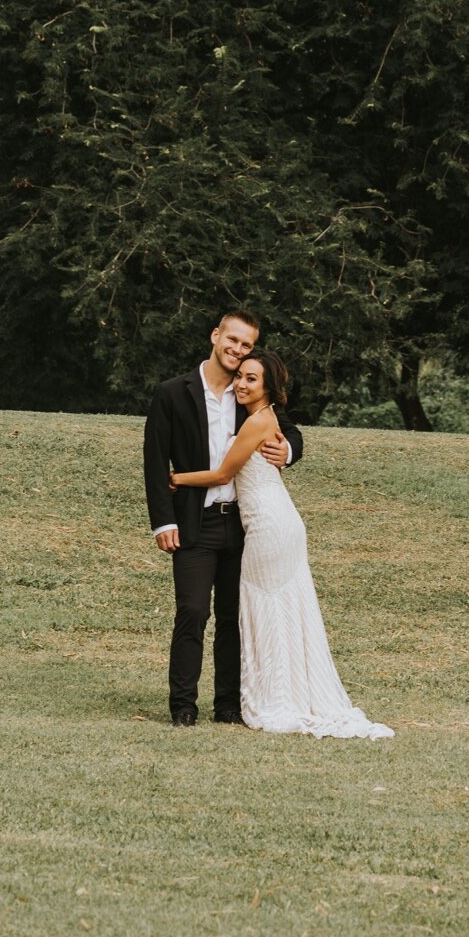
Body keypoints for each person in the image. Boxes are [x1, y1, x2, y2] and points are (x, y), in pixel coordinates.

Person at [169, 346, 392, 740]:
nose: (241, 383)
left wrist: (178, 479)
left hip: (269, 525)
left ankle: (275, 696)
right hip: (270, 521)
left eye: (251, 378)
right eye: (240, 376)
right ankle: (281, 690)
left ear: (269, 387)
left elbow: (224, 474)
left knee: (264, 605)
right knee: (277, 606)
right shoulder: (255, 415)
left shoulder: (259, 420)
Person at [143, 310, 303, 727]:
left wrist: (287, 452)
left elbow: (291, 431)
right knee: (193, 612)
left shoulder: (248, 391)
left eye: (246, 345)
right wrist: (163, 521)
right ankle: (183, 705)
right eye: (232, 340)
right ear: (216, 336)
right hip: (195, 522)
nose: (237, 350)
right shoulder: (173, 392)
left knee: (234, 615)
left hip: (245, 526)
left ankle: (228, 705)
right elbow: (154, 460)